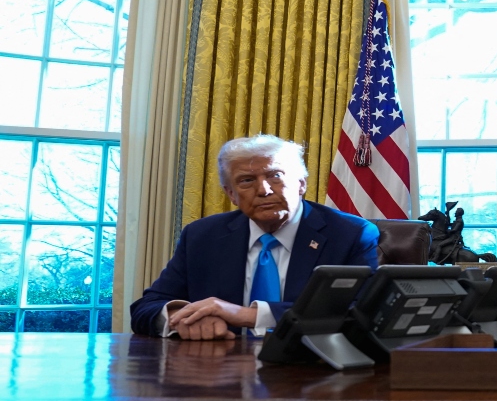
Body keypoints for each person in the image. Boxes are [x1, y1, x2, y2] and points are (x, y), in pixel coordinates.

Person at [129, 135, 380, 339]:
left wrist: (247, 315)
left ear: (301, 184)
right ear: (231, 194)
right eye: (247, 181)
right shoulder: (202, 236)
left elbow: (362, 313)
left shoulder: (350, 234)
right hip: (219, 372)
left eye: (275, 176)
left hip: (311, 371)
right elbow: (146, 307)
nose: (263, 190)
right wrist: (185, 317)